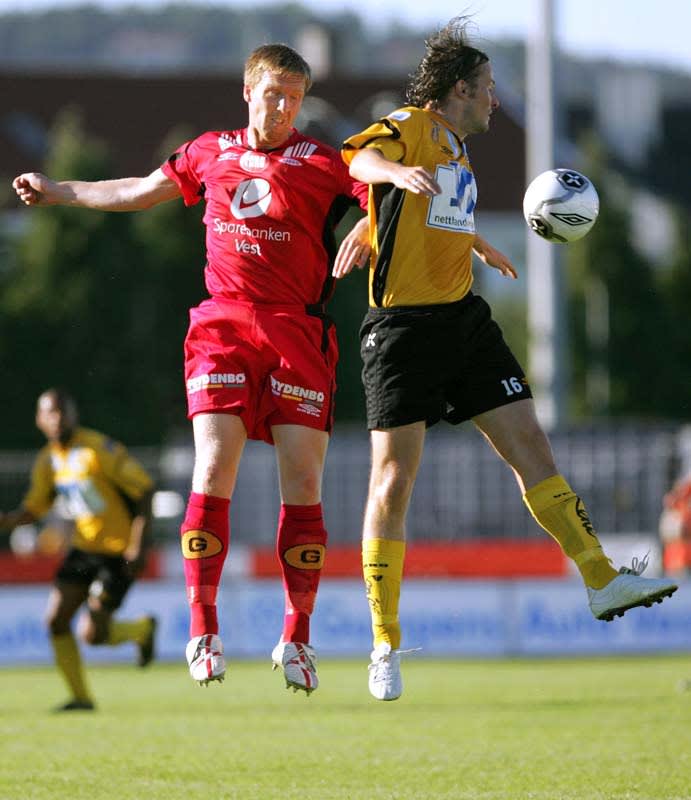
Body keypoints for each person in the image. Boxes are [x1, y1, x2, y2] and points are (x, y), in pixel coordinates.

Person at [336, 16, 678, 701]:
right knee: (393, 483)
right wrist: (392, 173)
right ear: (459, 89)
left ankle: (601, 579)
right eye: (488, 86)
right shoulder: (412, 124)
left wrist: (473, 243)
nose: (495, 98)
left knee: (532, 448)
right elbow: (359, 160)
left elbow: (427, 219)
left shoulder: (457, 149)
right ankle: (384, 641)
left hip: (464, 323)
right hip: (402, 332)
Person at [13, 44, 369, 696]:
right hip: (223, 328)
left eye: (293, 98)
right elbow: (137, 190)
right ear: (248, 90)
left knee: (303, 480)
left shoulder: (323, 162)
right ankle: (203, 629)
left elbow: (383, 195)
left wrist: (370, 226)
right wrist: (60, 191)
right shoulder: (209, 151)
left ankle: (296, 637)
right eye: (273, 93)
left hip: (296, 331)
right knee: (211, 467)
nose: (282, 108)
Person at [0, 388, 156, 712]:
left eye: (63, 411)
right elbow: (34, 509)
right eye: (50, 413)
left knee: (92, 635)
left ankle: (142, 629)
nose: (57, 419)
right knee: (56, 620)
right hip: (84, 549)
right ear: (39, 420)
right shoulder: (48, 460)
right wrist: (8, 521)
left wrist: (139, 545)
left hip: (117, 551)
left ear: (74, 415)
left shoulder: (98, 449)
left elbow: (144, 490)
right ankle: (81, 698)